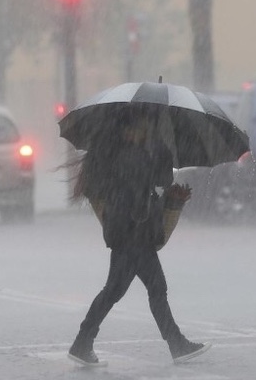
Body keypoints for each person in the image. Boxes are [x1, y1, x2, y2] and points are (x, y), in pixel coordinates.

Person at [68, 108, 211, 367]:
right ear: (129, 130)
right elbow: (158, 181)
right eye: (143, 126)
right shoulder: (133, 156)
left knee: (125, 291)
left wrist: (156, 154)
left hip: (130, 234)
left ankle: (83, 342)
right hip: (133, 235)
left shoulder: (124, 155)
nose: (145, 130)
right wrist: (159, 151)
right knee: (140, 290)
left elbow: (152, 187)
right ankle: (175, 344)